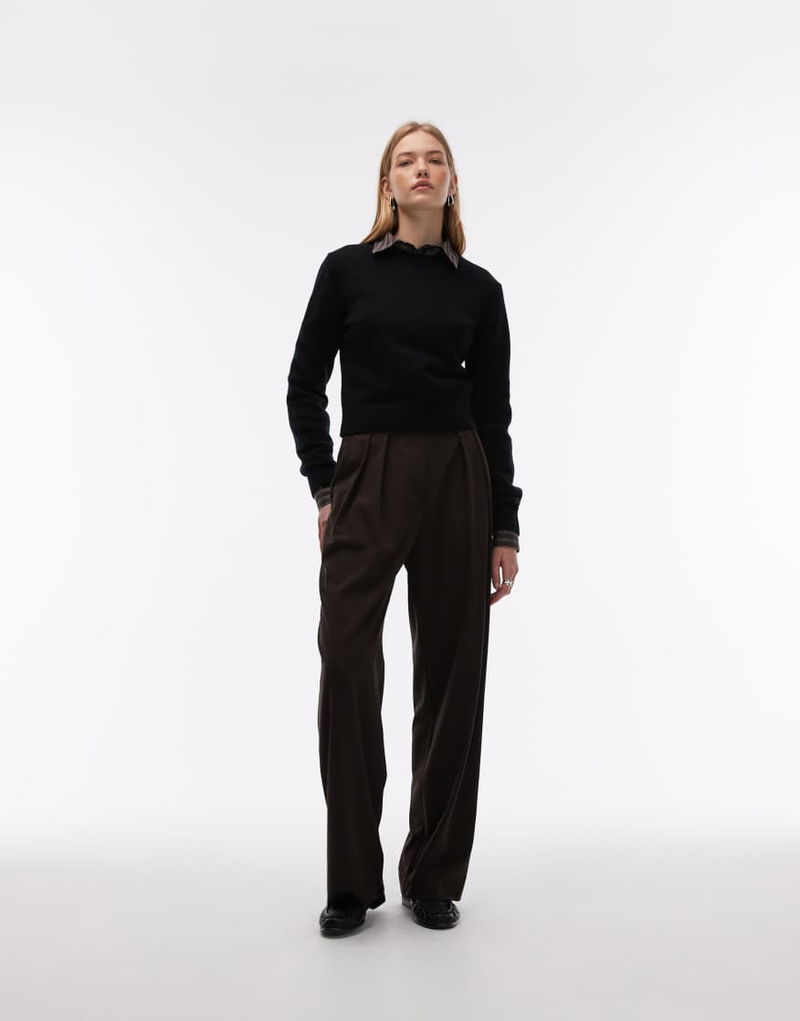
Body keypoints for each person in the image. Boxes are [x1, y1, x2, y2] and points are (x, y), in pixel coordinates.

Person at [286, 121, 523, 936]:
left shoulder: (479, 290)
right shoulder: (347, 270)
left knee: (453, 676)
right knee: (348, 661)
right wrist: (326, 482)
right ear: (386, 183)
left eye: (435, 159)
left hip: (458, 473)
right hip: (368, 472)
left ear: (452, 181)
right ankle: (352, 880)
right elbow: (303, 384)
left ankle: (432, 874)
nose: (421, 170)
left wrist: (504, 526)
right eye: (405, 160)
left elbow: (494, 413)